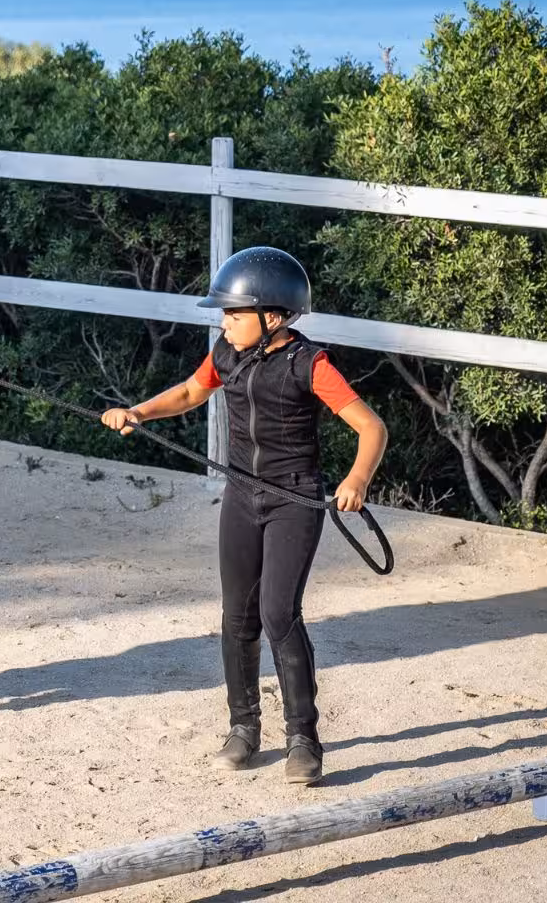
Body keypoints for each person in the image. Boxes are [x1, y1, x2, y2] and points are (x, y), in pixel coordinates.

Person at [100, 247, 387, 784]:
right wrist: (138, 411)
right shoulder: (226, 354)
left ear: (272, 316)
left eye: (234, 314)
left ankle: (304, 738)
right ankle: (243, 728)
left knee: (279, 614)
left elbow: (371, 428)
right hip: (241, 496)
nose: (224, 323)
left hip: (293, 501)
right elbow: (189, 392)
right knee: (238, 616)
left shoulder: (310, 364)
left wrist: (356, 480)